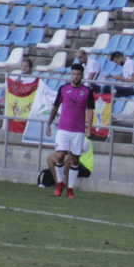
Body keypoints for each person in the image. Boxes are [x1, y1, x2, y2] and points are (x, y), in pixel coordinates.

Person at [46, 63, 95, 199]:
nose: (75, 76)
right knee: (60, 156)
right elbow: (55, 107)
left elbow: (90, 110)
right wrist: (49, 124)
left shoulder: (87, 92)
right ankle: (60, 184)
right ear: (71, 75)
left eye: (78, 74)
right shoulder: (63, 89)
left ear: (82, 75)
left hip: (78, 130)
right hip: (63, 129)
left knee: (74, 159)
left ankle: (70, 189)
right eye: (73, 74)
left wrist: (89, 128)